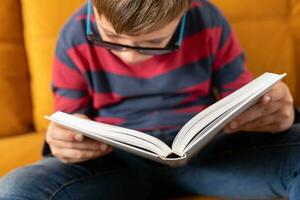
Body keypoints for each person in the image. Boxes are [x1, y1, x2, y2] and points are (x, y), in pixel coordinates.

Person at [0, 0, 299, 199]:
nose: (129, 55)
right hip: (114, 163)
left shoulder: (207, 19)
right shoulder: (75, 33)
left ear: (183, 13)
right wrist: (63, 139)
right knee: (16, 190)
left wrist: (275, 112)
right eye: (110, 37)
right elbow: (68, 118)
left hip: (207, 157)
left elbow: (243, 99)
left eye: (155, 44)